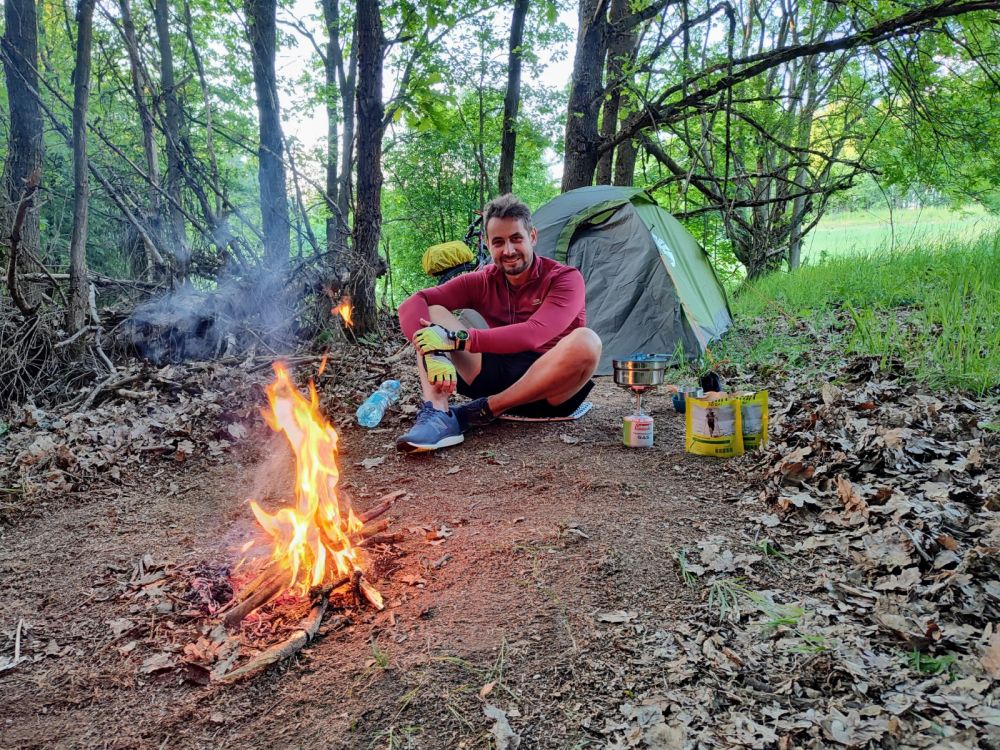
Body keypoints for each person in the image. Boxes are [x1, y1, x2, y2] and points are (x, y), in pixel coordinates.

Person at [395, 193, 602, 453]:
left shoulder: (564, 278)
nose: (508, 250)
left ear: (533, 237)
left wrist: (456, 339)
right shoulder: (482, 280)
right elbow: (413, 302)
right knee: (433, 311)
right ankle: (438, 415)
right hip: (493, 374)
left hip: (550, 391)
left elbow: (533, 334)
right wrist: (432, 354)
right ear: (489, 246)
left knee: (587, 340)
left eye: (516, 238)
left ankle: (483, 410)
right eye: (498, 242)